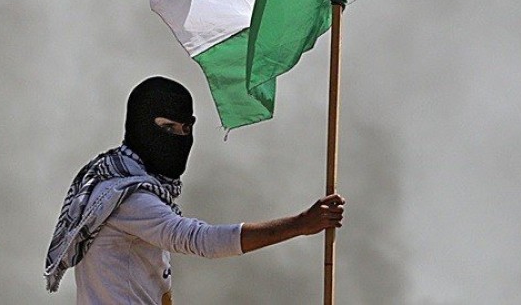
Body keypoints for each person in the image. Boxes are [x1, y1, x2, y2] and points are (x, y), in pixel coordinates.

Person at [44, 76, 345, 304]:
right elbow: (201, 240)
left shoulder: (108, 174)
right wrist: (301, 224)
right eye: (168, 128)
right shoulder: (128, 198)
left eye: (185, 129)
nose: (180, 138)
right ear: (140, 125)